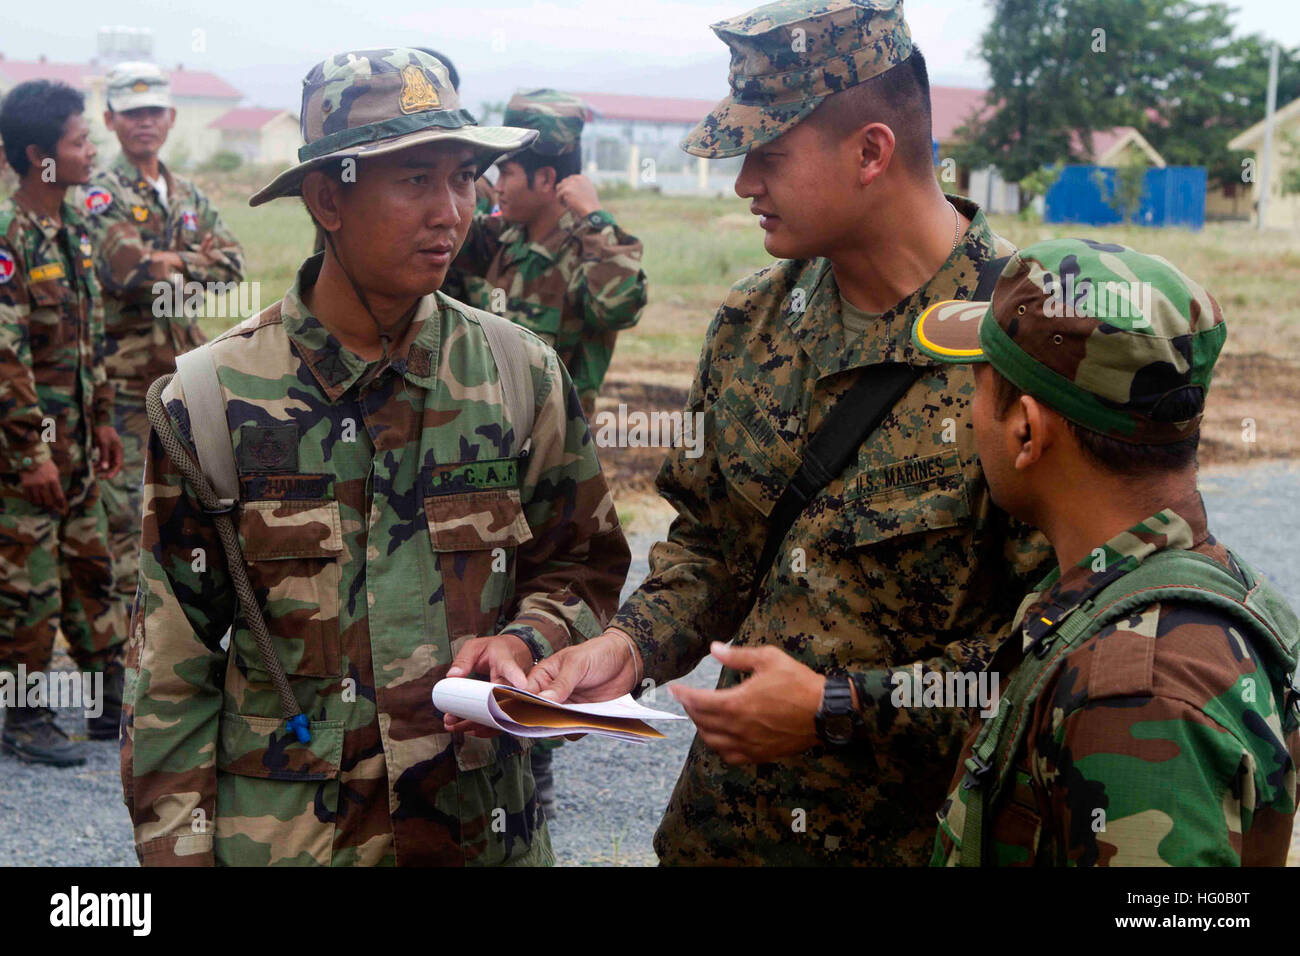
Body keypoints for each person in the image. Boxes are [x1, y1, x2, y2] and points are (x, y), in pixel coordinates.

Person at [524, 0, 1052, 865]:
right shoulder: (750, 325)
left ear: (871, 151)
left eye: (767, 156)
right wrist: (629, 648)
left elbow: (1055, 654)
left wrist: (836, 707)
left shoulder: (1027, 344)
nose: (742, 185)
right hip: (723, 840)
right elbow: (709, 548)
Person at [119, 47, 630, 866]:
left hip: (477, 834)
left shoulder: (516, 374)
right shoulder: (210, 399)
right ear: (328, 197)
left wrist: (529, 638)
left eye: (464, 177)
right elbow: (170, 672)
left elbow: (580, 566)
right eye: (415, 179)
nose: (451, 210)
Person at [911, 238, 1299, 866]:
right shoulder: (1200, 586)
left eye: (978, 387)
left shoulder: (1134, 691)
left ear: (1027, 430)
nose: (969, 413)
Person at [83, 61, 245, 634]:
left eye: (154, 111)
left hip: (184, 385)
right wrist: (191, 259)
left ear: (171, 118)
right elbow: (127, 271)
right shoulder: (99, 193)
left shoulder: (188, 193)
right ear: (110, 119)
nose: (144, 123)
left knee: (195, 511)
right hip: (124, 390)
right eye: (132, 113)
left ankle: (187, 638)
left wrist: (169, 261)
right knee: (129, 521)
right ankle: (125, 654)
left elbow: (234, 269)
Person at [0, 80, 125, 765]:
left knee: (92, 569)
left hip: (77, 450)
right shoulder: (8, 238)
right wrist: (31, 455)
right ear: (39, 156)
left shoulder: (71, 230)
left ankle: (112, 705)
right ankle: (23, 716)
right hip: (30, 461)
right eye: (79, 140)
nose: (90, 150)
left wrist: (103, 420)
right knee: (28, 590)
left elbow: (86, 339)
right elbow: (4, 357)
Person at [445, 89, 647, 420]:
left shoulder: (589, 253)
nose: (497, 187)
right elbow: (439, 235)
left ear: (545, 179)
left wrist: (595, 217)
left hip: (554, 450)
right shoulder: (503, 238)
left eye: (506, 173)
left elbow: (619, 308)